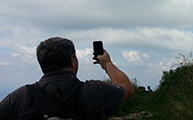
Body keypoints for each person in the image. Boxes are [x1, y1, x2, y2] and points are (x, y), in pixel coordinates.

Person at [0, 37, 135, 119]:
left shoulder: (19, 97)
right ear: (72, 60)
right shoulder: (96, 90)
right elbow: (127, 88)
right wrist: (107, 64)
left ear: (41, 64)